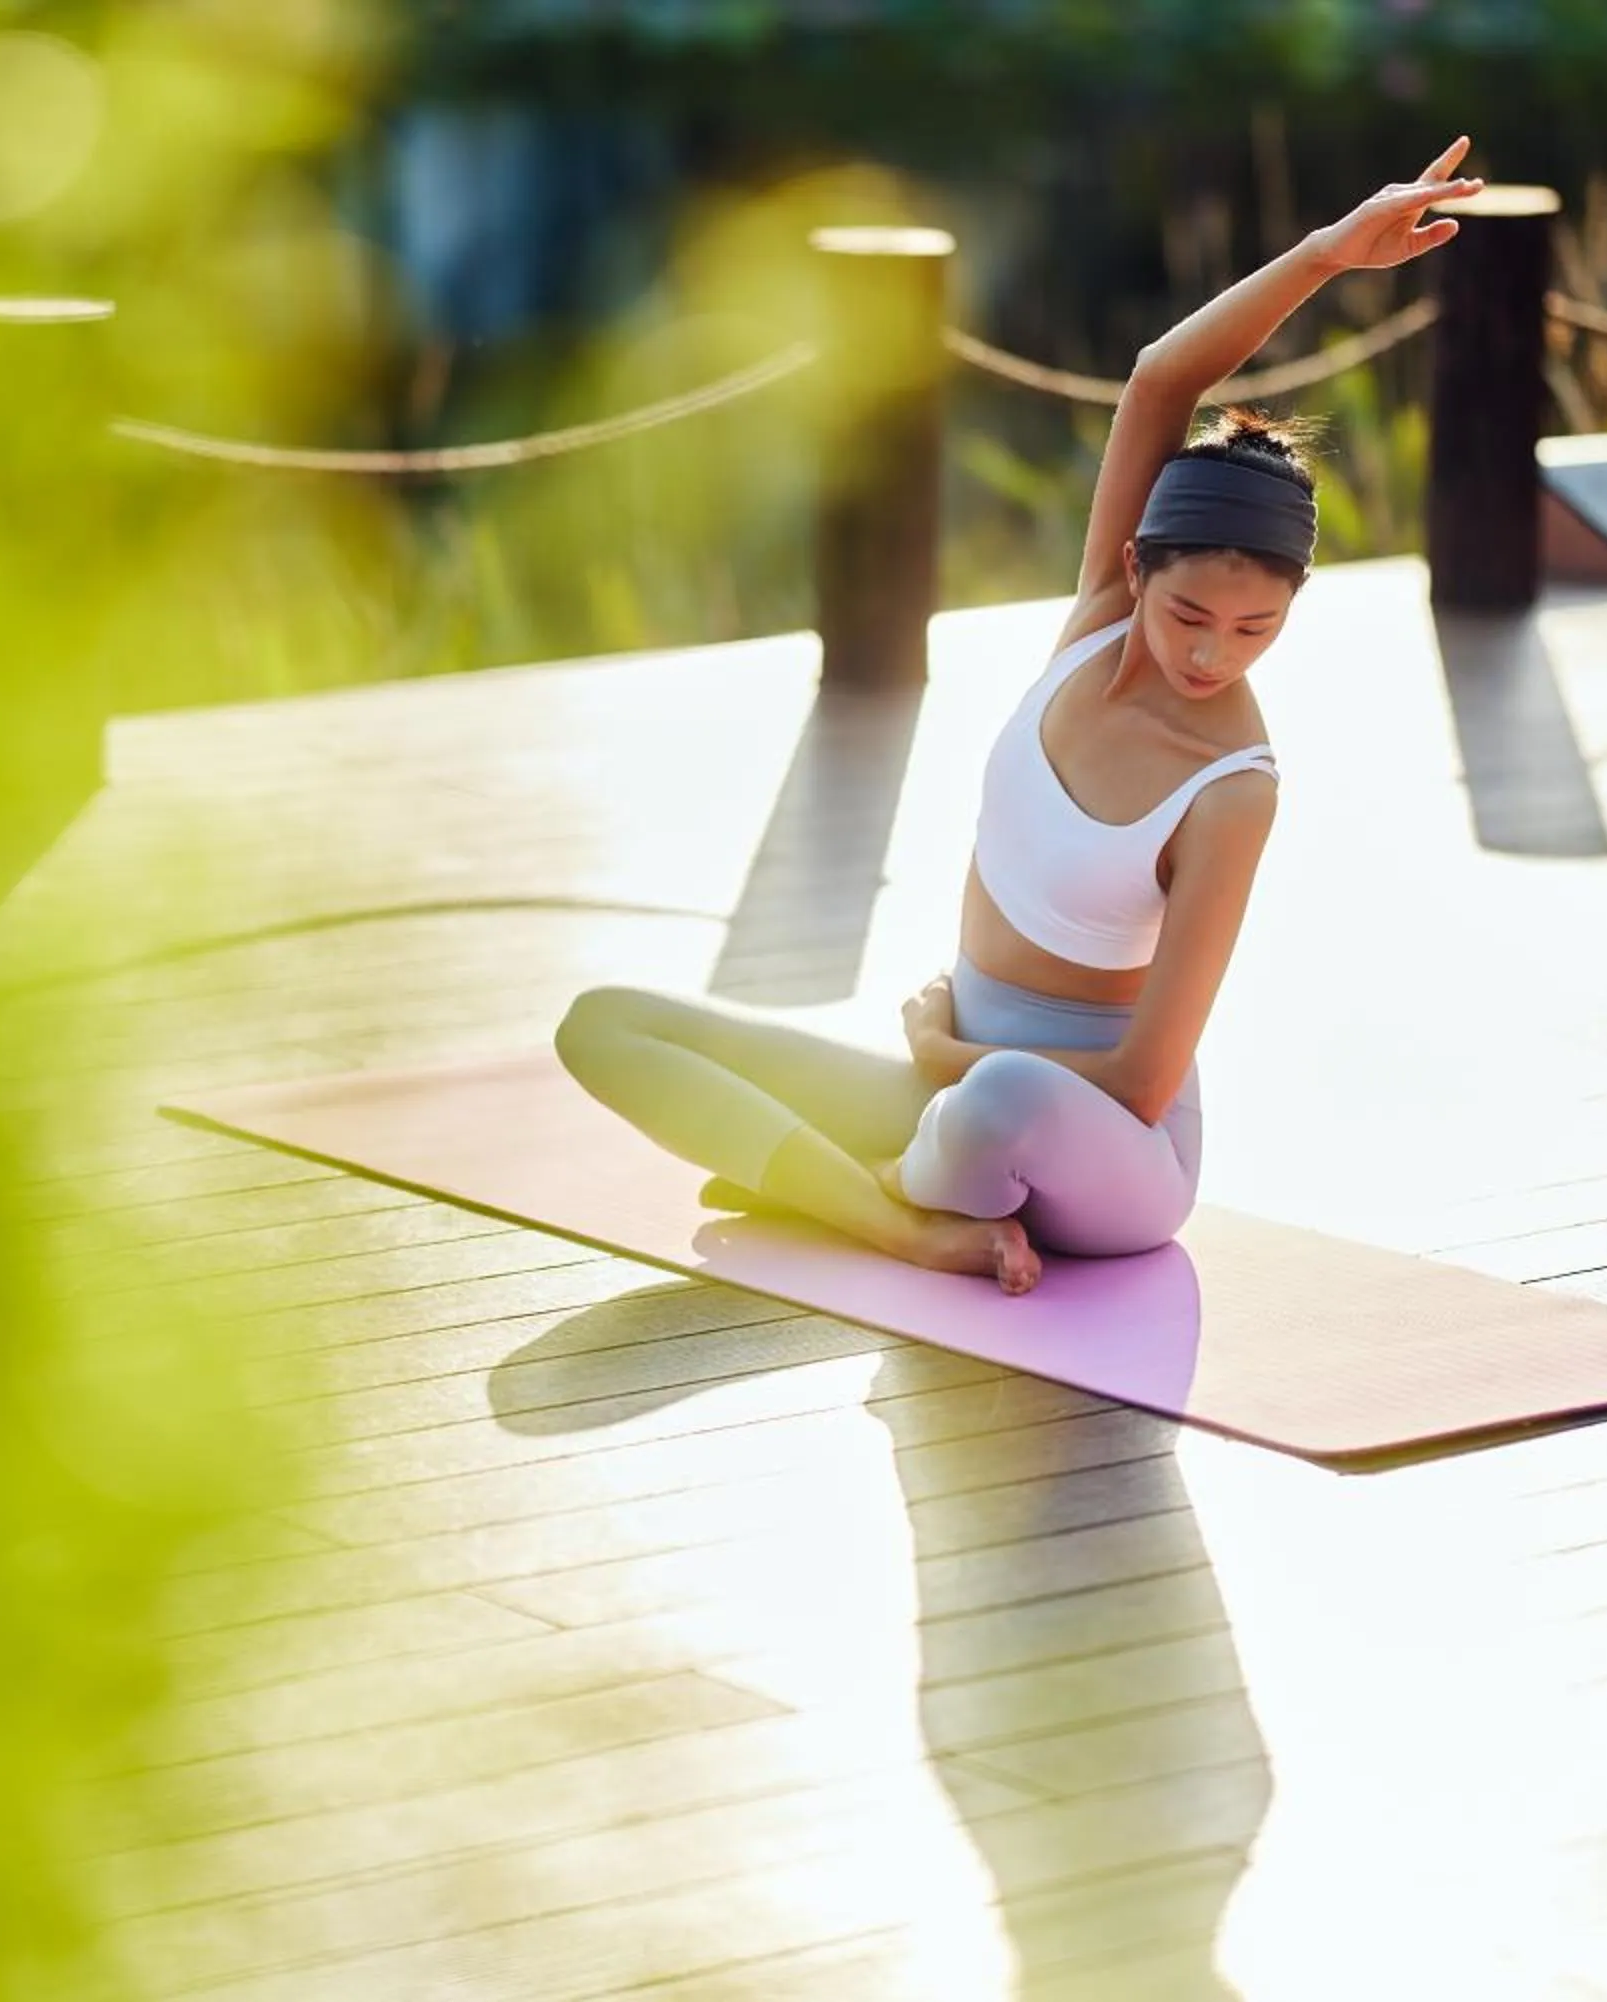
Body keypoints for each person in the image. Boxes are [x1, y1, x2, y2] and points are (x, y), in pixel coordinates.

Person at [552, 140, 1487, 1296]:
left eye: (1254, 630)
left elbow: (1144, 1080)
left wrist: (948, 1051)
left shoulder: (1235, 788)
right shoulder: (1097, 616)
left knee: (994, 1102)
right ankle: (902, 1218)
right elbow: (1157, 380)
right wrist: (1327, 255)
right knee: (605, 1025)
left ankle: (860, 1187)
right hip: (951, 1090)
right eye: (1190, 611)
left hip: (1101, 1146)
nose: (1209, 653)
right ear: (1136, 568)